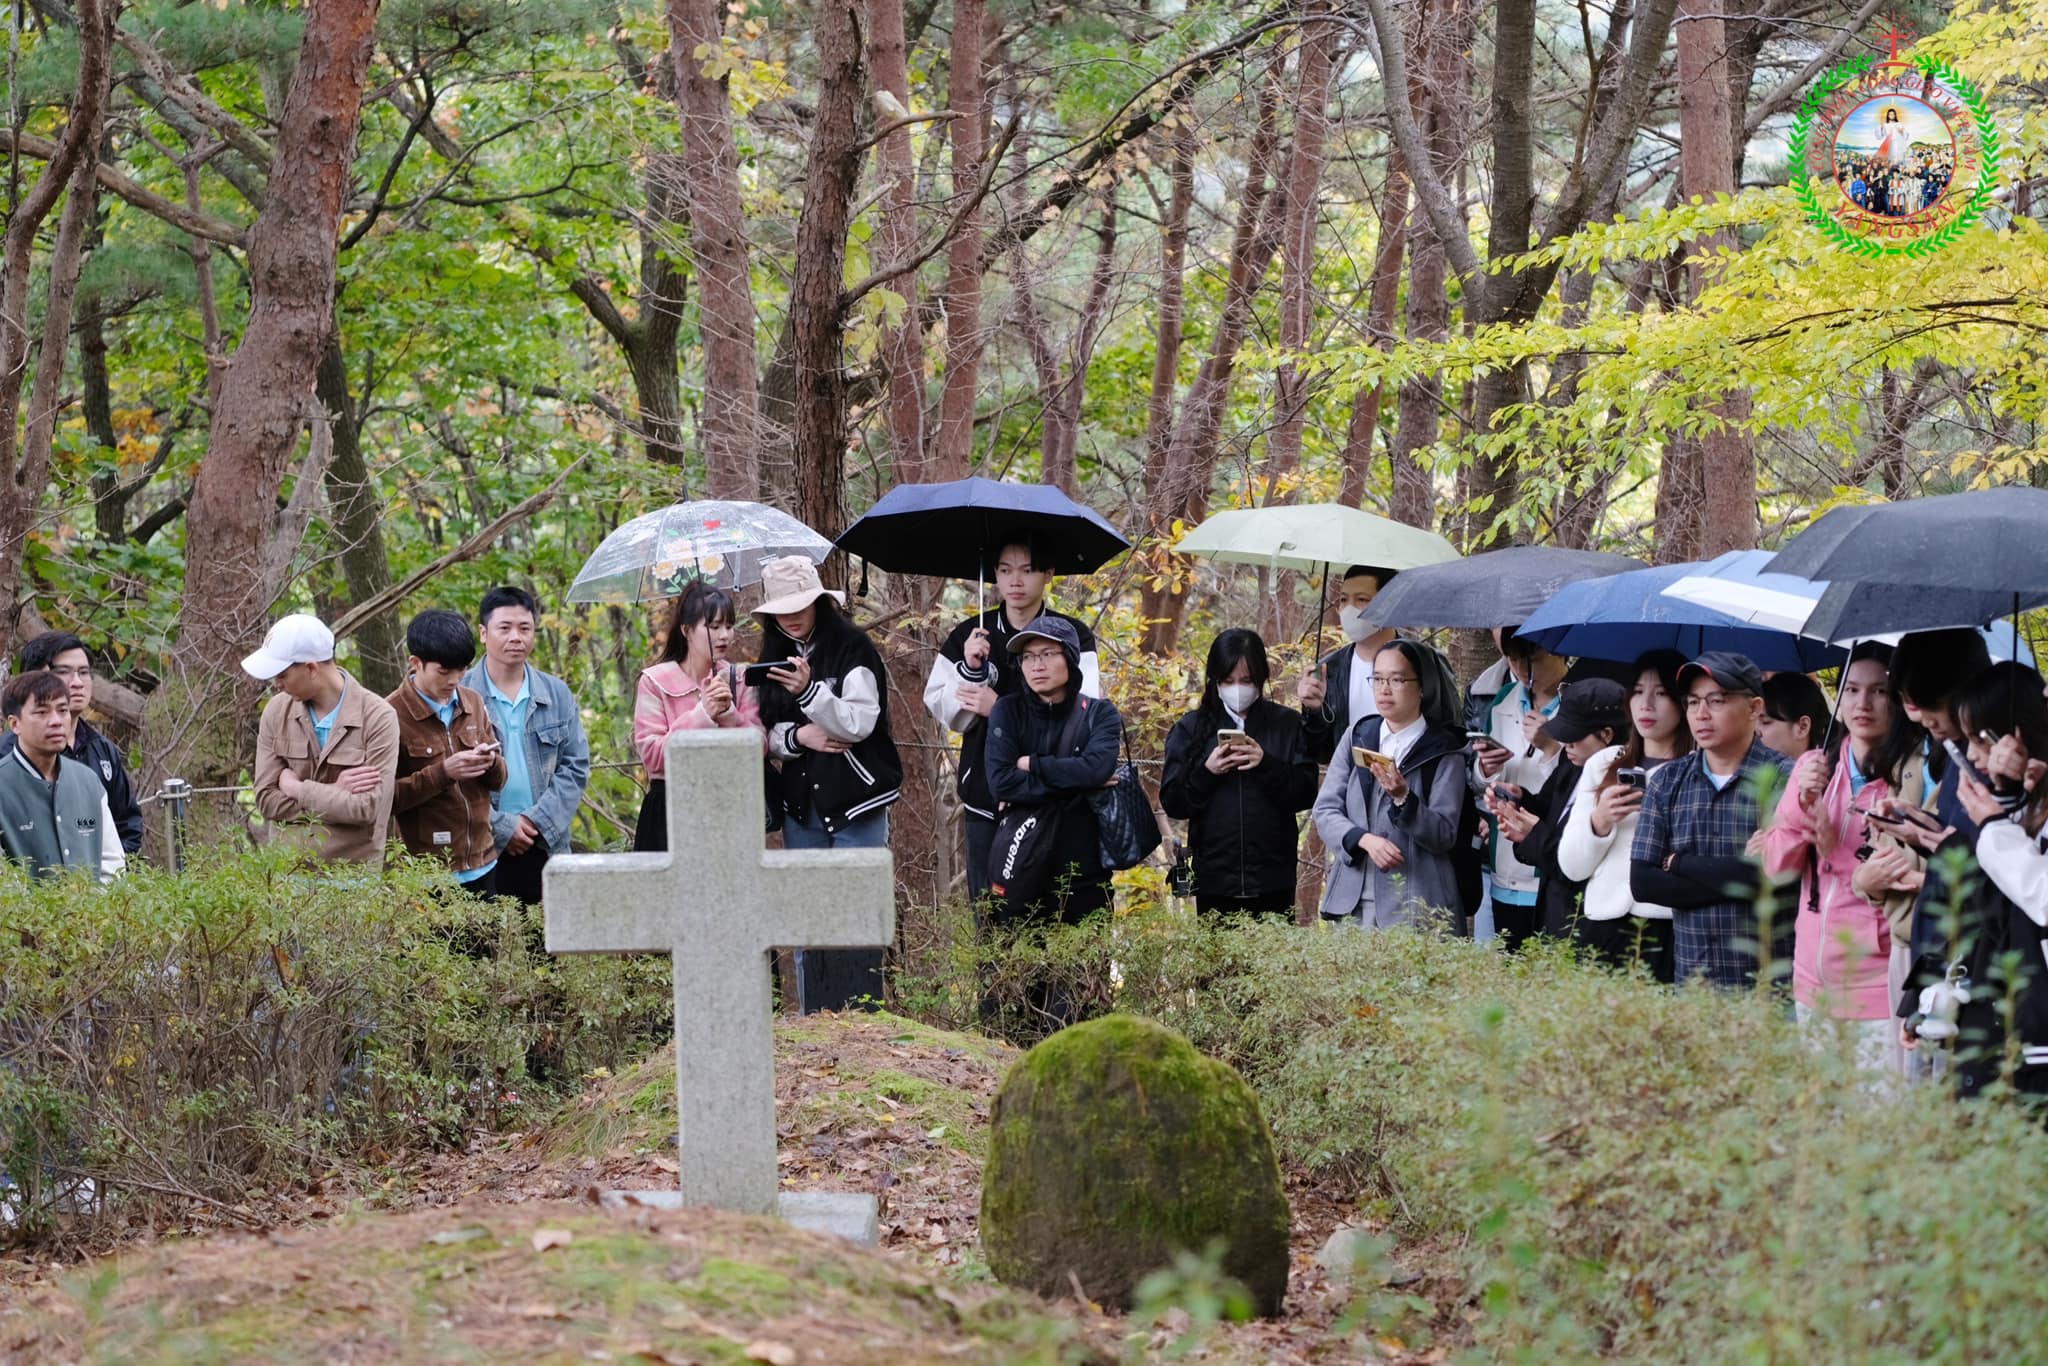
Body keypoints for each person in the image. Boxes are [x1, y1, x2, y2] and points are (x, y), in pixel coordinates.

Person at [756, 556, 903, 1012]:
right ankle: (813, 1015)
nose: (791, 615)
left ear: (820, 601)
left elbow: (859, 722)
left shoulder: (852, 647)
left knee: (857, 908)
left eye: (800, 603)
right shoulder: (772, 656)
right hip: (802, 804)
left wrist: (810, 694)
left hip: (858, 800)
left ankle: (863, 1016)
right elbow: (768, 733)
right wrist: (800, 736)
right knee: (807, 912)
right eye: (781, 608)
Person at [924, 533, 1100, 903]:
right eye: (1004, 570)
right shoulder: (969, 636)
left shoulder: (1072, 636)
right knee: (990, 911)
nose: (1015, 581)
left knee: (1054, 910)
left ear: (1048, 573)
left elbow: (1085, 713)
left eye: (1027, 570)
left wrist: (999, 706)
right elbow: (947, 713)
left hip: (1054, 796)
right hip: (985, 793)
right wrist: (971, 668)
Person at [1761, 643, 1898, 1069]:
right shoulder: (1815, 769)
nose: (1863, 703)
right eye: (1852, 690)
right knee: (1825, 1123)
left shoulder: (1906, 778)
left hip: (1878, 986)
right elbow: (1775, 866)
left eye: (1879, 691)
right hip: (1811, 981)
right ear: (1837, 702)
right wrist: (1805, 802)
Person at [1630, 652, 1792, 989]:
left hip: (1769, 989)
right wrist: (1738, 877)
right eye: (1692, 702)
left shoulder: (1784, 778)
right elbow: (1643, 882)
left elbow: (1776, 878)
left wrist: (1680, 863)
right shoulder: (1668, 781)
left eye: (1716, 701)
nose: (1701, 714)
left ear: (1754, 708)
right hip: (1693, 985)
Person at [1939, 664, 2048, 1100]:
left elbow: (2040, 894)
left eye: (1975, 739)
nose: (1973, 755)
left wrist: (1992, 825)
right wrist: (2008, 800)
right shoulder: (2032, 791)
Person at [1160, 629, 1318, 918]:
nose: (1237, 688)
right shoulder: (1191, 729)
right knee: (1220, 963)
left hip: (1273, 879)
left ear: (1261, 679)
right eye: (1228, 681)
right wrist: (1207, 772)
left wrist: (1265, 763)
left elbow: (1306, 792)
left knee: (1272, 959)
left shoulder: (1286, 724)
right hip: (1214, 881)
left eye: (1246, 681)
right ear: (1215, 681)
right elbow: (1174, 802)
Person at [1312, 639, 1469, 930]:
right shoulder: (1358, 735)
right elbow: (1325, 809)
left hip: (1416, 906)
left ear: (1422, 686)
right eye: (1378, 678)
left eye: (1397, 679)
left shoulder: (1444, 750)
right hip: (1354, 904)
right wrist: (1363, 839)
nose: (1384, 688)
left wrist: (1404, 798)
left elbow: (1444, 834)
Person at [1557, 651, 1691, 980]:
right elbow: (1572, 867)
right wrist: (1599, 822)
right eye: (1638, 691)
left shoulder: (1699, 769)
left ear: (1682, 702)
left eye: (1660, 693)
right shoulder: (1604, 763)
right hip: (1603, 923)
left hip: (1669, 928)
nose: (1646, 705)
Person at [985, 616, 1125, 925]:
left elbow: (1097, 768)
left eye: (1048, 654)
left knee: (1086, 969)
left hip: (1085, 871)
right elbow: (1001, 782)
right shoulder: (1007, 711)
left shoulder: (1100, 714)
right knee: (1018, 969)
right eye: (1028, 657)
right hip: (1021, 866)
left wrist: (1034, 765)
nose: (1037, 665)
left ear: (1070, 658)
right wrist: (1080, 783)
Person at [463, 585, 590, 904]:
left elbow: (575, 767)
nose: (515, 637)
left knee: (547, 946)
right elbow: (452, 781)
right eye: (504, 628)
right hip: (479, 844)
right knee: (479, 946)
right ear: (483, 633)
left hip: (544, 842)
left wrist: (534, 822)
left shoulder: (556, 693)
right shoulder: (461, 696)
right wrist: (504, 827)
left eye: (524, 628)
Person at [247, 613, 401, 868]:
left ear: (310, 668)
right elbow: (266, 800)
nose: (276, 684)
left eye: (282, 675)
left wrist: (298, 789)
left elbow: (365, 809)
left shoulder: (378, 717)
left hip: (352, 876)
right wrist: (335, 795)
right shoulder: (276, 711)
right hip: (289, 871)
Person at [1493, 678, 1631, 949]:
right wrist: (1519, 801)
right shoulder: (1573, 764)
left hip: (1586, 927)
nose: (1565, 744)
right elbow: (1549, 810)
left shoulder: (1620, 786)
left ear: (1606, 735)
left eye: (1575, 735)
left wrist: (1532, 835)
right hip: (1551, 913)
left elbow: (1578, 861)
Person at [632, 580, 762, 852]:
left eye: (729, 626)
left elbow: (759, 747)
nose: (724, 635)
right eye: (713, 627)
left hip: (727, 805)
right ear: (686, 630)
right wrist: (702, 714)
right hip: (669, 807)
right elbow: (653, 756)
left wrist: (729, 716)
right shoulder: (655, 682)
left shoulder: (739, 679)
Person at [386, 610, 508, 892]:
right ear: (416, 663)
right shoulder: (389, 714)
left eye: (462, 669)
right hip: (426, 873)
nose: (454, 680)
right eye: (444, 671)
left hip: (484, 861)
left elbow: (500, 781)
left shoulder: (473, 702)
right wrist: (443, 773)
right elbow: (384, 799)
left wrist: (492, 763)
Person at [0, 633, 143, 856]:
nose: (77, 683)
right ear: (35, 677)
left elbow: (127, 826)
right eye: (64, 672)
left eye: (84, 673)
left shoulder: (102, 749)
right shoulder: (7, 755)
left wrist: (106, 879)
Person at [1469, 631, 1568, 949]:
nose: (1525, 670)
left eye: (1534, 658)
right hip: (1504, 863)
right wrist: (1487, 768)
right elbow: (1483, 780)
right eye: (1514, 660)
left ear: (1559, 651)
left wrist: (1550, 748)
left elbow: (1581, 783)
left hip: (1553, 864)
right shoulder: (1505, 698)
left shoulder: (1579, 703)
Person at [0, 670, 123, 882]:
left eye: (62, 710)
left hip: (94, 913)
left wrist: (92, 910)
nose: (56, 721)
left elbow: (113, 864)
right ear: (15, 724)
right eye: (42, 712)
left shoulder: (88, 781)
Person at [1297, 565, 1399, 762]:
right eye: (1343, 600)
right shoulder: (1328, 670)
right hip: (1350, 785)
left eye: (1361, 599)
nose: (1349, 609)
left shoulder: (1423, 663)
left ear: (1389, 604)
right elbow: (1317, 752)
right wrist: (1314, 712)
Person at [1758, 672, 1830, 759]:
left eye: (1765, 722)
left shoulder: (1839, 769)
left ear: (1802, 727)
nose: (1755, 731)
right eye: (1753, 721)